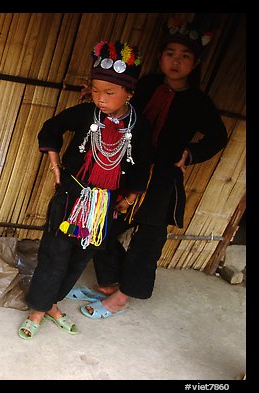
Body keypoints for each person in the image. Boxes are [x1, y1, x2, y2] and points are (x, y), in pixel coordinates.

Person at [78, 18, 229, 319]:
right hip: (127, 169)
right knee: (102, 224)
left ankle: (123, 296)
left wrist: (190, 153)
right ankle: (109, 284)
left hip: (162, 180)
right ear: (160, 57)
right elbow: (115, 103)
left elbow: (218, 137)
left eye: (185, 56)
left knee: (147, 241)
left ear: (195, 63)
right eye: (170, 53)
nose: (176, 61)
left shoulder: (199, 102)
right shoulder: (143, 86)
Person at [18, 40, 154, 340]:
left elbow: (143, 164)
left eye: (109, 92)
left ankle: (53, 303)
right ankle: (37, 309)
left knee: (80, 257)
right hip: (71, 195)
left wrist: (129, 197)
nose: (100, 98)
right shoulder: (84, 113)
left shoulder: (139, 127)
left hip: (105, 204)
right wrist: (55, 164)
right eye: (95, 90)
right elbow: (50, 128)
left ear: (129, 93)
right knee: (54, 253)